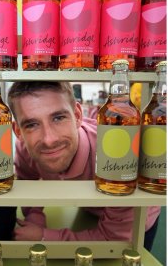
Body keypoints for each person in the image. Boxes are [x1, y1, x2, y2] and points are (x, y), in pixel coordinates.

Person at [9, 81, 160, 250]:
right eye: (31, 125)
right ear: (18, 132)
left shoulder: (117, 156)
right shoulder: (26, 148)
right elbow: (27, 180)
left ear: (78, 116)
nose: (49, 140)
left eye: (58, 118)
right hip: (92, 209)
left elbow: (114, 240)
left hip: (132, 221)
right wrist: (35, 217)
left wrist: (44, 236)